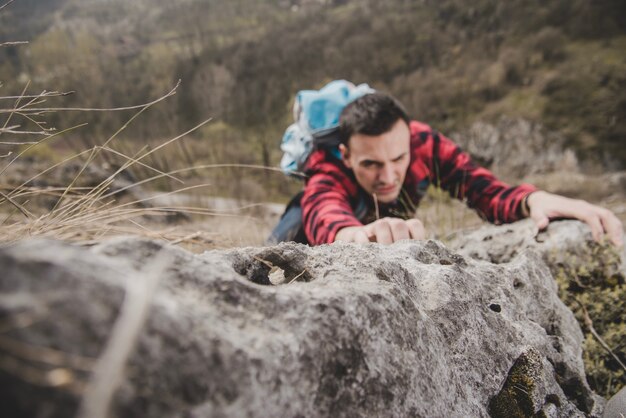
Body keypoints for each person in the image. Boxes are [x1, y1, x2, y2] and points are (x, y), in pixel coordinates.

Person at [268, 90, 624, 247]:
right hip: (328, 223)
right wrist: (349, 235)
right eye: (371, 164)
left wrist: (534, 200)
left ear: (410, 140)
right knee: (291, 229)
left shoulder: (426, 143)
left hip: (393, 224)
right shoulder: (329, 167)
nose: (389, 177)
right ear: (346, 156)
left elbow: (484, 191)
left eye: (398, 159)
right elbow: (323, 211)